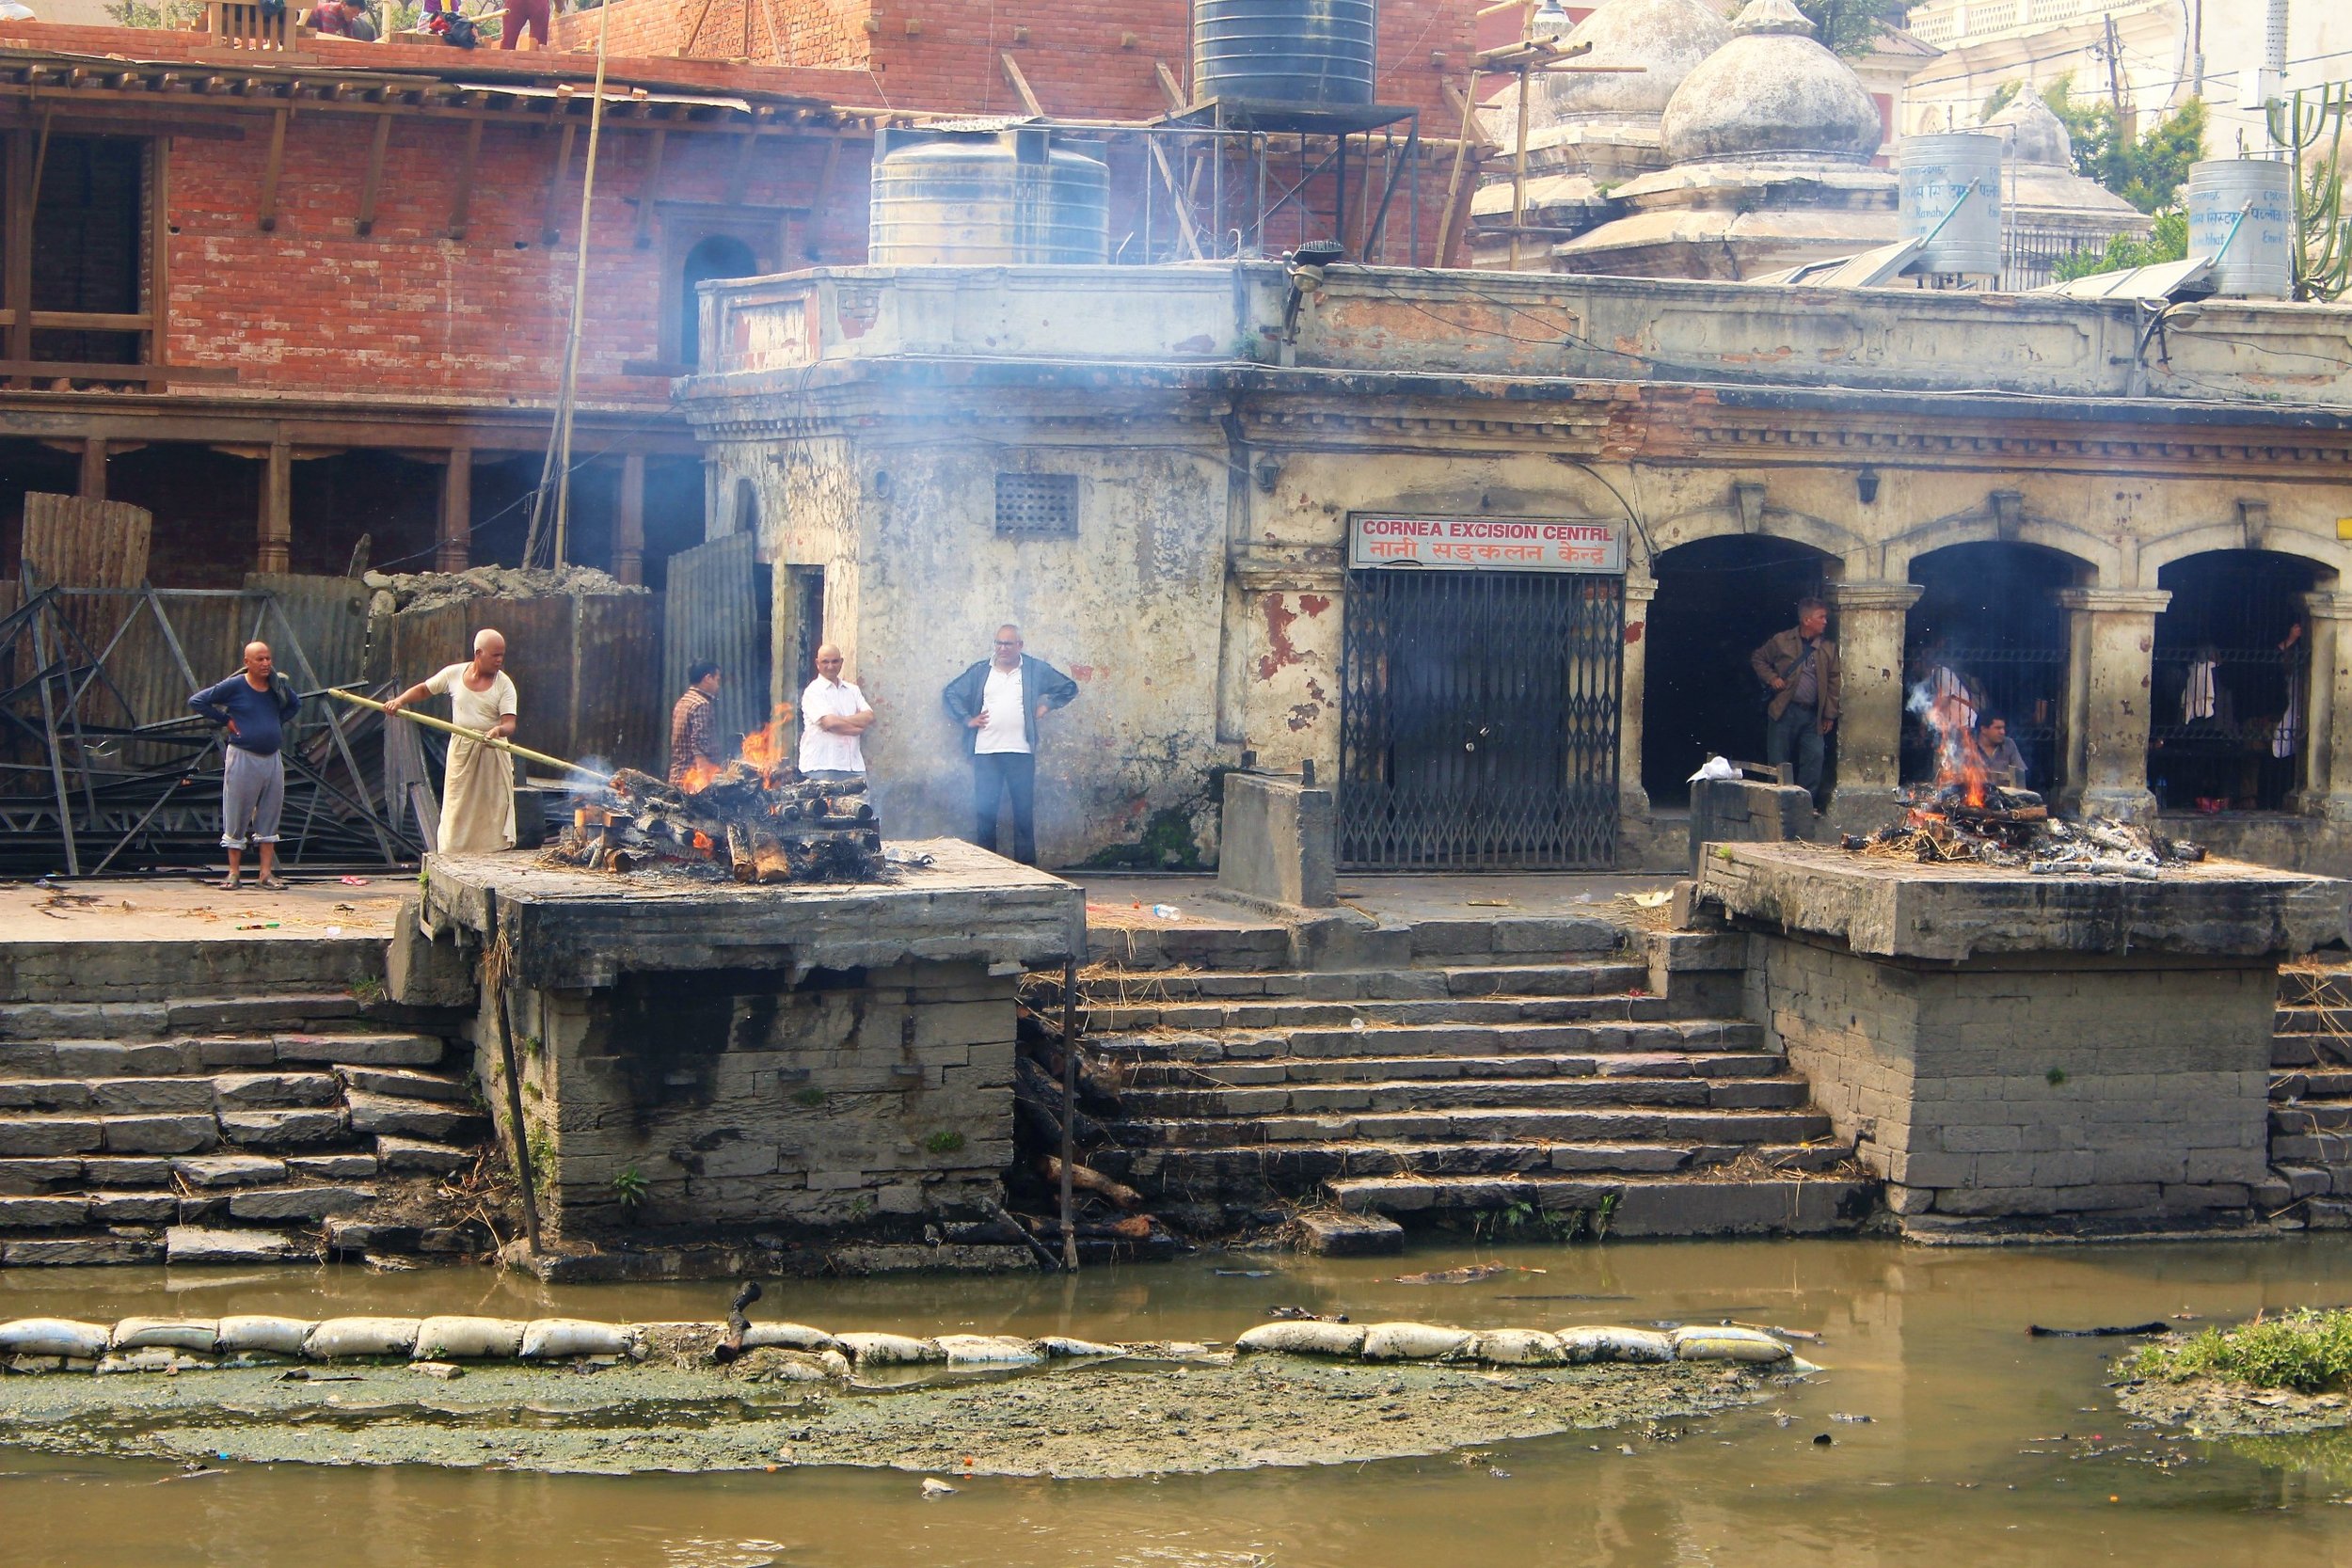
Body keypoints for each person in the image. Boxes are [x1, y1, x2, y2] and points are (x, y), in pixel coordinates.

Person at [942, 624, 1077, 865]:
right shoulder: (981, 671)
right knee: (985, 814)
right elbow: (951, 693)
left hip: (1021, 752)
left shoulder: (1034, 669)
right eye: (998, 643)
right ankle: (987, 867)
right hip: (986, 752)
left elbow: (1069, 687)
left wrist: (1047, 705)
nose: (1002, 648)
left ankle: (1026, 869)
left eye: (1008, 644)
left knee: (1023, 814)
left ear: (1019, 646)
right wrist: (967, 719)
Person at [383, 628, 518, 854]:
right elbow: (425, 689)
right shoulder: (454, 674)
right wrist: (400, 701)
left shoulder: (504, 685)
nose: (500, 660)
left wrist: (497, 731)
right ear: (479, 653)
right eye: (495, 655)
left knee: (492, 811)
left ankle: (491, 855)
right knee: (457, 809)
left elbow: (509, 724)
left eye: (502, 655)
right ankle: (452, 855)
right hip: (462, 752)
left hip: (492, 752)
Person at [189, 641, 302, 891]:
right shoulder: (235, 686)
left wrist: (275, 721)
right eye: (259, 659)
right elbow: (198, 701)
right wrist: (226, 720)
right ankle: (233, 873)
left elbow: (295, 705)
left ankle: (265, 874)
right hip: (243, 755)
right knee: (237, 810)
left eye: (268, 659)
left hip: (271, 757)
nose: (265, 664)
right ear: (247, 662)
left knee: (270, 813)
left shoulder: (277, 684)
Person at [1749, 597, 1838, 798]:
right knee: (1779, 762)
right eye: (1821, 617)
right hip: (1784, 709)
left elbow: (1834, 682)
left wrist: (1829, 715)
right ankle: (1776, 802)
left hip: (1812, 714)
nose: (1825, 621)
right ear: (1807, 620)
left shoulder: (1828, 648)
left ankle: (1804, 804)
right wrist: (1772, 678)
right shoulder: (1782, 641)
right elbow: (1758, 658)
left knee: (1814, 758)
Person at [799, 643, 874, 783]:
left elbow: (869, 716)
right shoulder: (813, 691)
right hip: (822, 766)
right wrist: (856, 726)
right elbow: (830, 723)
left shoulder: (853, 690)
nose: (830, 666)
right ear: (817, 663)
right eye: (825, 662)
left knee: (862, 805)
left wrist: (839, 720)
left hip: (854, 767)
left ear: (841, 662)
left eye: (835, 661)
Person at [669, 660, 723, 786]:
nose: (718, 686)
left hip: (677, 777)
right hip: (692, 782)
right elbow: (699, 746)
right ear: (708, 678)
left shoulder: (683, 701)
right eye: (717, 680)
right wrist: (703, 782)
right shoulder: (701, 704)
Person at [1977, 714, 2026, 788]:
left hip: (2004, 796)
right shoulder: (1969, 745)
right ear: (1983, 729)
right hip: (1975, 794)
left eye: (2003, 728)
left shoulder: (2008, 744)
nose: (2002, 732)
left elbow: (2019, 774)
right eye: (1998, 728)